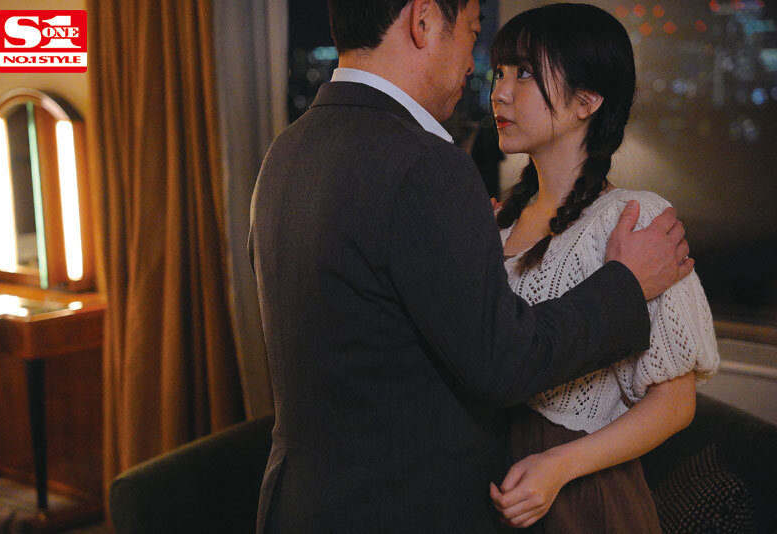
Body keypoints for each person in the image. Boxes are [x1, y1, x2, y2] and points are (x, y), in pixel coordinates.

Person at [248, 0, 693, 531]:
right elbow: (503, 361)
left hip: (302, 500)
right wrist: (626, 285)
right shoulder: (426, 166)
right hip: (401, 505)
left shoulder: (287, 151)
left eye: (522, 73)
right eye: (473, 35)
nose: (484, 78)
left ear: (587, 101)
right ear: (423, 21)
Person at [486, 4, 720, 532]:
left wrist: (558, 466)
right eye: (498, 73)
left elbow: (675, 403)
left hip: (583, 495)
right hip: (496, 485)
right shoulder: (498, 223)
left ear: (586, 101)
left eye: (525, 73)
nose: (500, 92)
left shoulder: (632, 220)